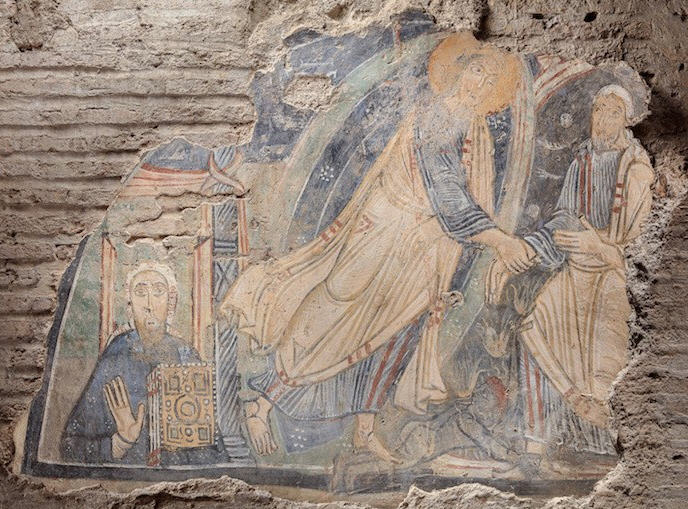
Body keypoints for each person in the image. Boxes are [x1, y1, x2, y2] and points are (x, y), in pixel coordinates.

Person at [222, 33, 536, 463]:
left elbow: (469, 199)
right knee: (336, 306)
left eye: (490, 80)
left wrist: (481, 244)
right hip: (386, 227)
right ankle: (263, 400)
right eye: (476, 71)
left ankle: (365, 430)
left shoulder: (477, 129)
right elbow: (447, 193)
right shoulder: (434, 116)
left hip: (428, 246)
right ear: (458, 71)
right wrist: (499, 240)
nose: (479, 84)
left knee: (397, 332)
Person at [487, 85, 654, 428]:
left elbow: (642, 252)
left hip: (614, 273)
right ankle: (569, 408)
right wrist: (528, 249)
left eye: (613, 113)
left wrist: (601, 247)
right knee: (534, 322)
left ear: (627, 121)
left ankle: (608, 417)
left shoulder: (637, 170)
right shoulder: (582, 162)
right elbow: (564, 219)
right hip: (577, 269)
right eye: (598, 110)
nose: (602, 120)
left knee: (608, 343)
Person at [60, 263, 227, 465]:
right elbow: (70, 447)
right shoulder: (115, 355)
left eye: (158, 291)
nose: (149, 304)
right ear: (130, 306)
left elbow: (214, 453)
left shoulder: (185, 354)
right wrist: (120, 442)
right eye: (140, 293)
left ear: (171, 303)